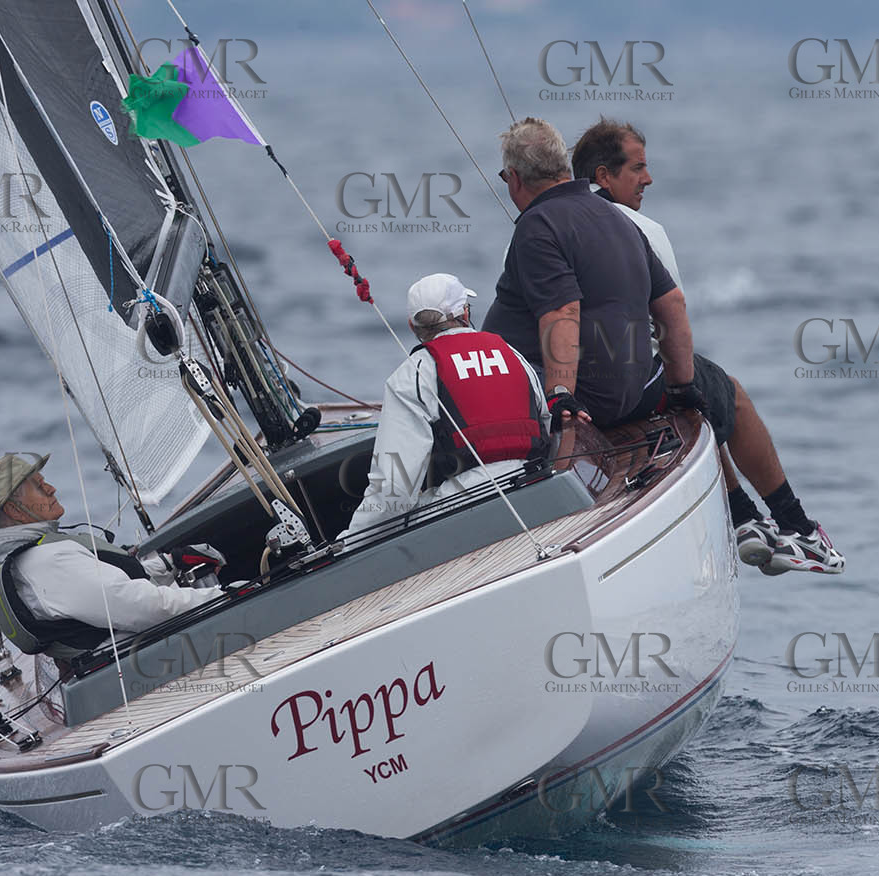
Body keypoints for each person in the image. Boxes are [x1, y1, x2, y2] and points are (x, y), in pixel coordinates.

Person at [484, 116, 842, 575]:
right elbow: (672, 303)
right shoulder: (620, 221)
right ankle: (773, 521)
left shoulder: (537, 227)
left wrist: (560, 395)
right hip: (636, 389)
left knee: (718, 391)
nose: (647, 179)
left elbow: (563, 312)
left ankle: (749, 518)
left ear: (514, 178)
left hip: (580, 402)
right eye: (639, 169)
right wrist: (680, 386)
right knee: (708, 392)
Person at [341, 273, 551, 542]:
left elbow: (394, 489)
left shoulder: (412, 376)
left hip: (464, 504)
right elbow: (544, 422)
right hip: (533, 487)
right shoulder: (512, 354)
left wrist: (349, 544)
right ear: (464, 312)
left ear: (411, 325)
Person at [0, 453, 223, 660]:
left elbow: (101, 593)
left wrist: (169, 563)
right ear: (14, 510)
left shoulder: (25, 560)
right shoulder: (47, 562)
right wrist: (224, 596)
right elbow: (142, 608)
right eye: (39, 486)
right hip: (141, 661)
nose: (51, 488)